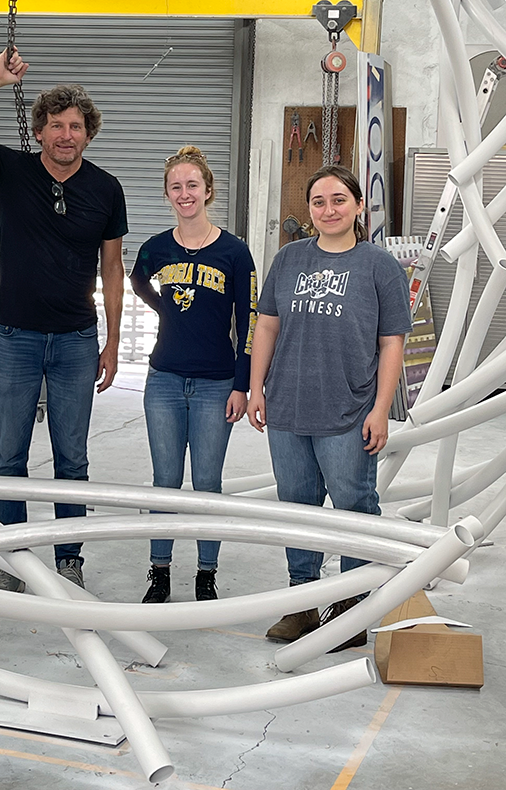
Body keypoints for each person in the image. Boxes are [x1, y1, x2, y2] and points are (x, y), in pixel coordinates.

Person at [0, 48, 128, 591]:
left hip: (76, 341)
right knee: (9, 454)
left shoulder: (106, 189)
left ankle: (68, 558)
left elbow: (112, 268)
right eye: (56, 125)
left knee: (72, 457)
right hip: (14, 337)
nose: (66, 134)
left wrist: (111, 341)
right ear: (39, 131)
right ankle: (9, 558)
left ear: (89, 134)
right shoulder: (9, 170)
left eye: (76, 126)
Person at [247, 164, 411, 648]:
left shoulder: (378, 265)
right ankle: (302, 603)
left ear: (359, 206)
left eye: (339, 199)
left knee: (353, 507)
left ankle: (351, 605)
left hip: (349, 411)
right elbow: (268, 326)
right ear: (310, 210)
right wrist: (258, 388)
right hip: (288, 408)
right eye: (319, 201)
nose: (328, 209)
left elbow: (392, 343)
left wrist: (380, 409)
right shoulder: (289, 258)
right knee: (296, 509)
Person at [130, 145, 257, 603]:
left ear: (208, 191)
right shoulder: (157, 248)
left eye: (192, 186)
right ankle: (159, 572)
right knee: (165, 481)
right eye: (176, 187)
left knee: (207, 483)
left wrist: (243, 384)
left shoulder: (235, 252)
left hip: (215, 383)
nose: (185, 194)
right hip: (163, 380)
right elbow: (137, 278)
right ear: (168, 194)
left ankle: (206, 573)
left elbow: (250, 321)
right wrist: (161, 306)